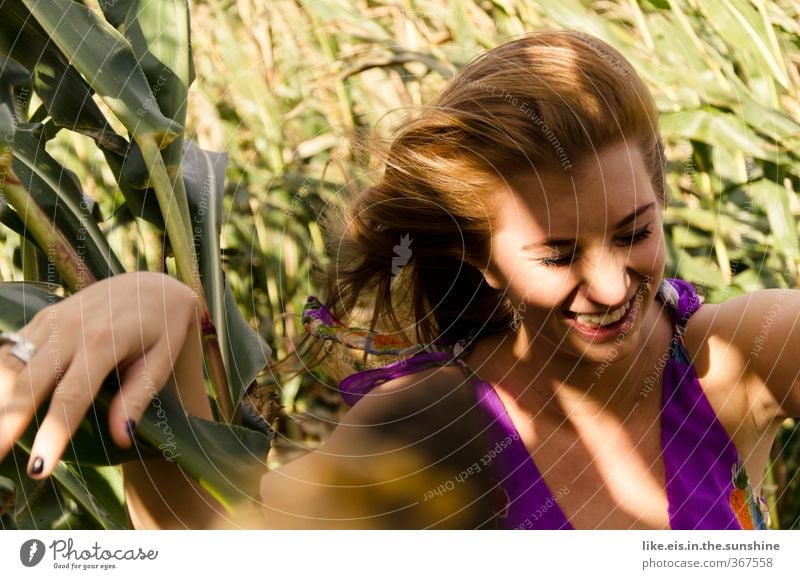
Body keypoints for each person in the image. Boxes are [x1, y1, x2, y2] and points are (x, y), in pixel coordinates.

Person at [0, 29, 797, 530]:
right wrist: (161, 313)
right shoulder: (435, 426)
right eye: (557, 255)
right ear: (480, 258)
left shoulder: (737, 359)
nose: (614, 284)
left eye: (636, 233)